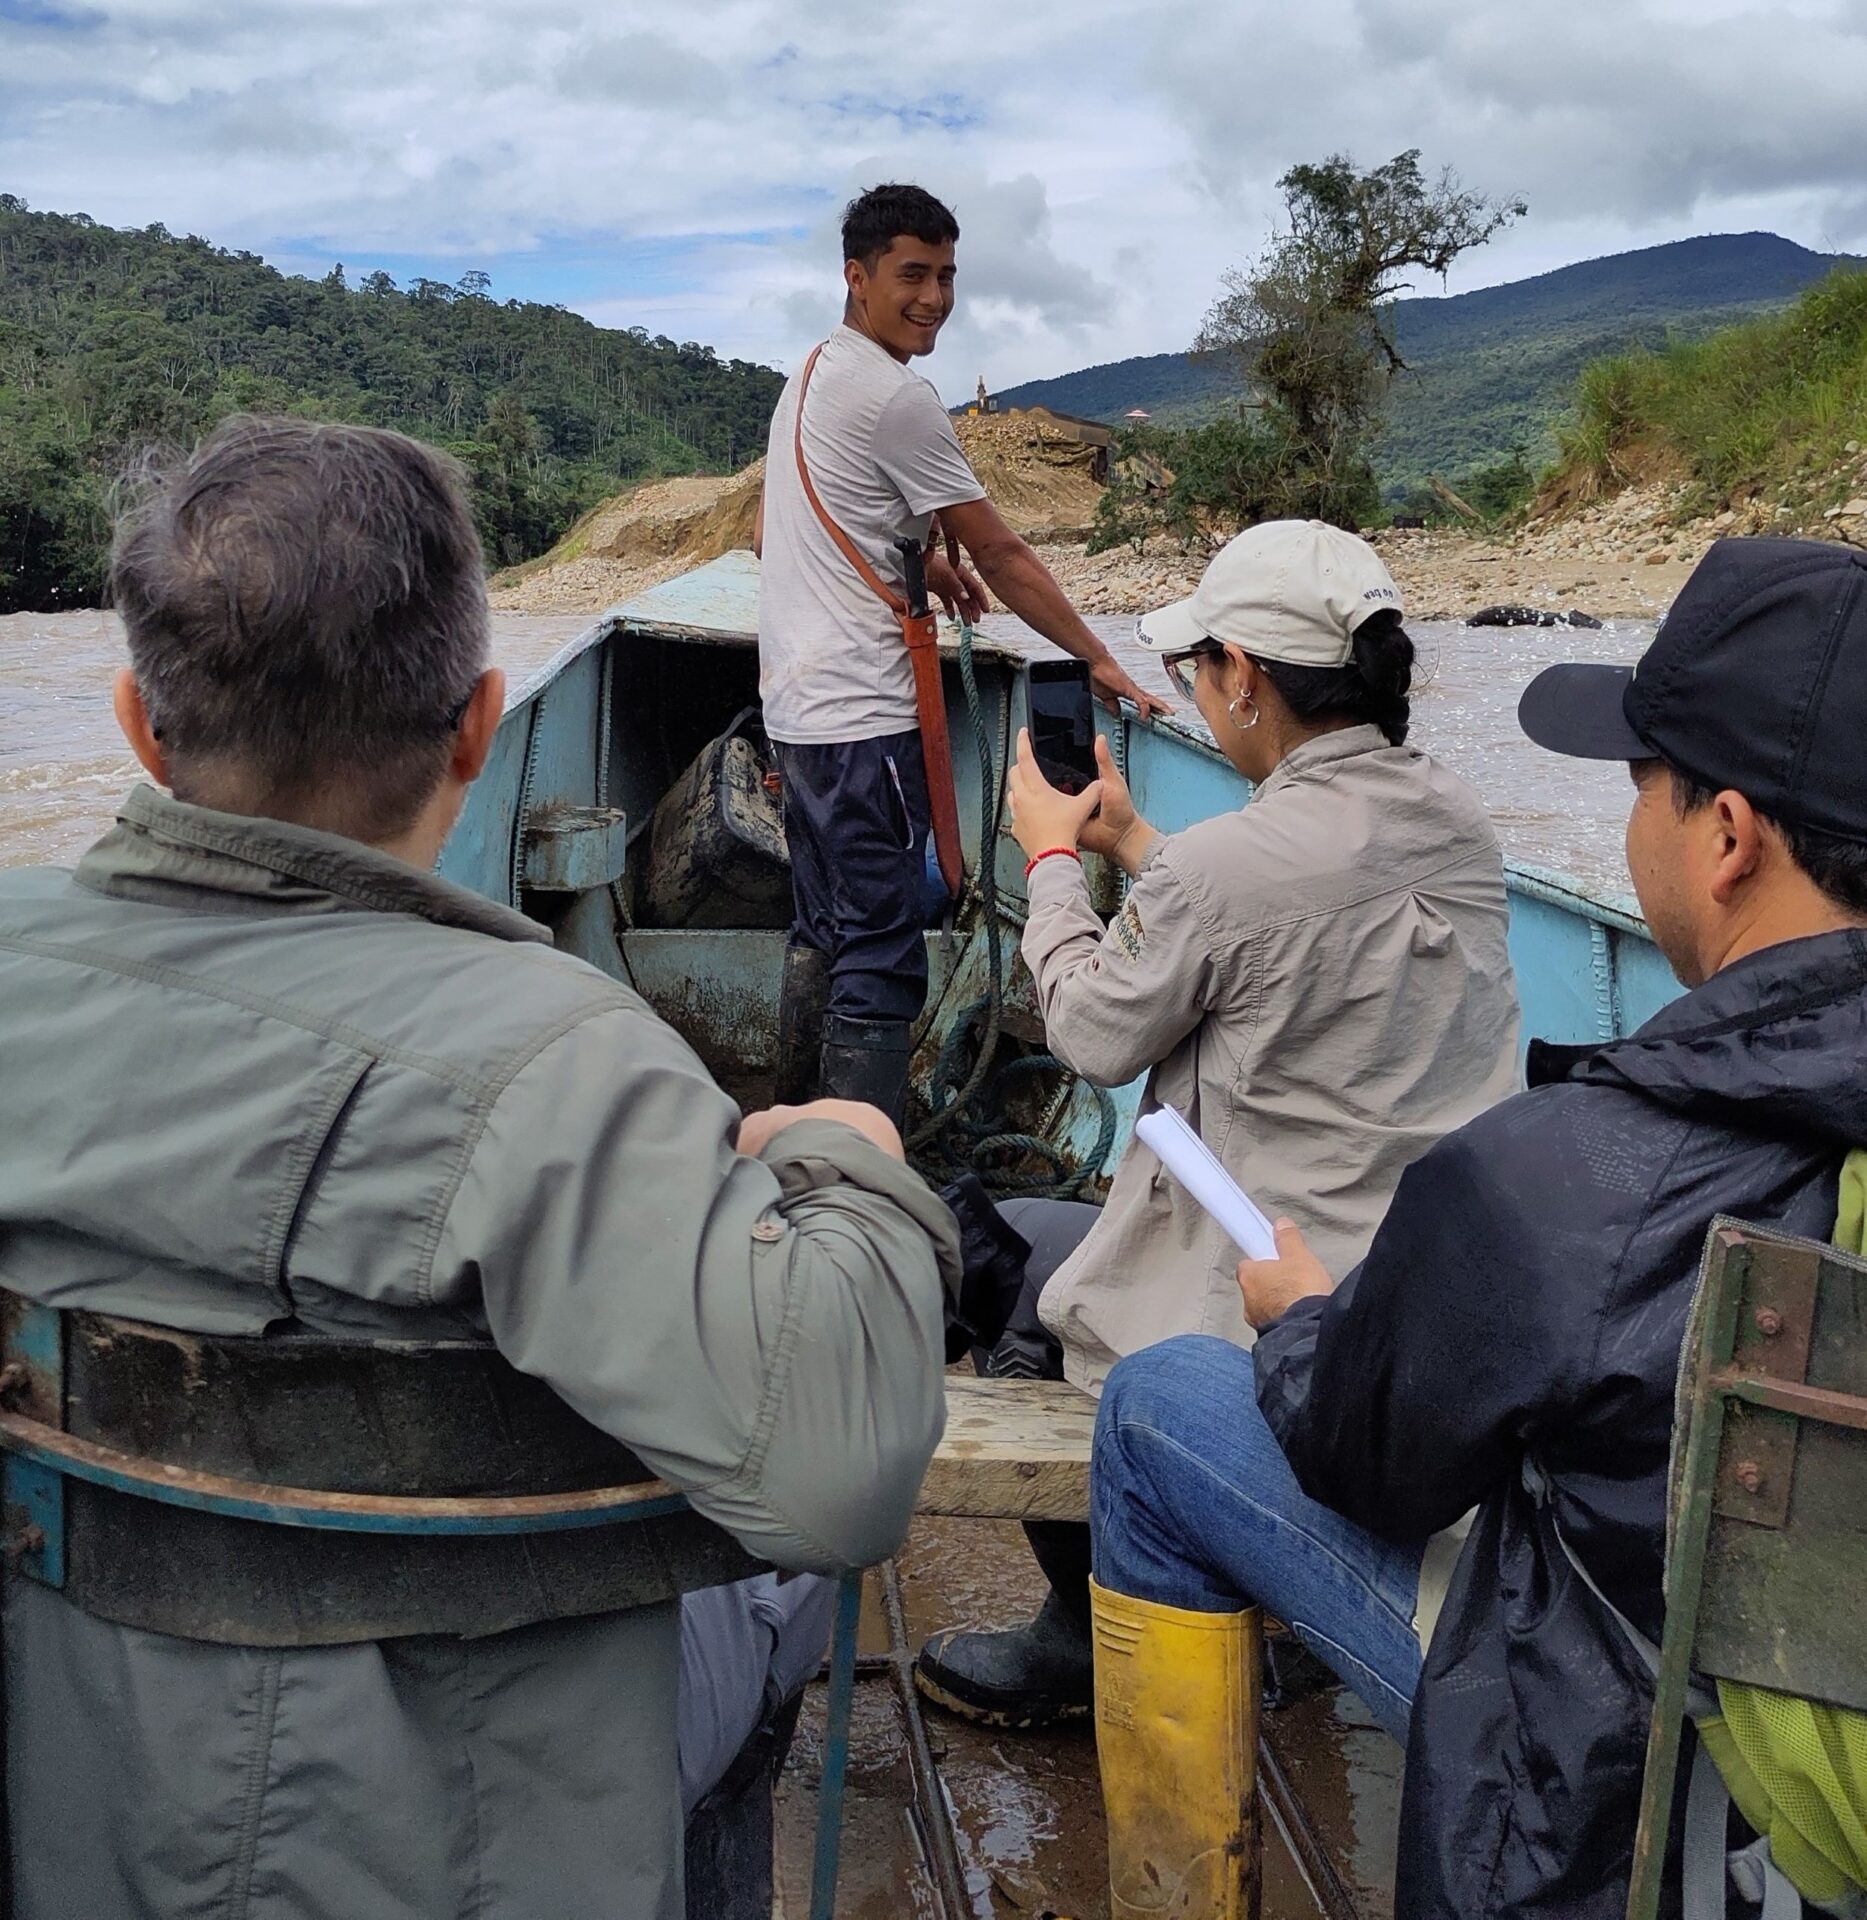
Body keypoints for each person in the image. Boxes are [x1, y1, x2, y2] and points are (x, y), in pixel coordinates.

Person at [0, 416, 960, 1920]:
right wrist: (853, 1167)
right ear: (478, 727)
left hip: (70, 1770)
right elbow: (842, 1475)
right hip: (460, 1844)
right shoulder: (567, 1067)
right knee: (767, 1585)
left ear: (133, 723)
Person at [1088, 535, 1867, 1918]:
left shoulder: (1564, 1183)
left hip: (1621, 1814)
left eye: (1640, 788)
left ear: (1727, 836)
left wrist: (1301, 1323)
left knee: (1153, 1409)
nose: (1632, 828)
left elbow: (1358, 1455)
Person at [914, 519, 1522, 1728]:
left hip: (1260, 1303)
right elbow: (1284, 909)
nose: (1197, 691)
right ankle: (1262, 1595)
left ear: (1243, 677)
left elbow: (1091, 1034)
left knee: (1009, 1274)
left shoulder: (1227, 871)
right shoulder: (1456, 822)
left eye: (1199, 668)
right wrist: (1136, 843)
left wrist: (1048, 862)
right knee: (1055, 1245)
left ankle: (1087, 1642)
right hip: (1404, 1285)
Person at [754, 181, 1164, 1123]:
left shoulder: (813, 371)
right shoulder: (898, 397)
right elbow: (1005, 553)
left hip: (798, 714)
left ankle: (792, 1126)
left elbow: (822, 525)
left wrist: (919, 564)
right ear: (856, 277)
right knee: (881, 952)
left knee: (823, 930)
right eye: (912, 275)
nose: (934, 296)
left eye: (945, 275)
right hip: (861, 718)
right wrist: (1097, 658)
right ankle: (854, 1183)